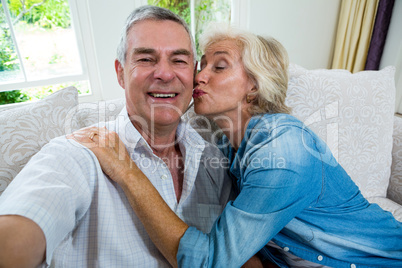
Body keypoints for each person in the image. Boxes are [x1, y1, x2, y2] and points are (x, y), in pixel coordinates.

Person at [70, 23, 402, 268]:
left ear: (254, 87)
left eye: (220, 66)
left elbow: (210, 262)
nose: (199, 77)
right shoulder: (228, 147)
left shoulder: (284, 152)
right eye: (201, 65)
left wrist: (127, 173)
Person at [0, 6, 239, 267]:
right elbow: (19, 228)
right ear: (120, 73)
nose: (165, 73)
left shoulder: (213, 160)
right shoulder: (79, 152)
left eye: (179, 60)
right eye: (146, 59)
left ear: (193, 74)